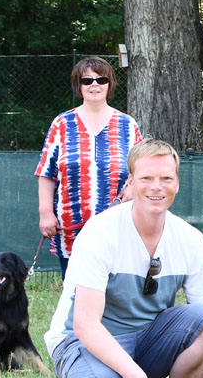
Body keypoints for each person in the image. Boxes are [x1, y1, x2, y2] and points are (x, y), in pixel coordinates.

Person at [44, 139, 203, 378]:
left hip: (146, 339)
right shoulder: (101, 232)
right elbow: (85, 324)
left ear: (177, 184)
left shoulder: (191, 240)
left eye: (166, 179)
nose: (156, 187)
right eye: (146, 178)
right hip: (80, 340)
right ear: (131, 182)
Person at [37, 57, 142, 277]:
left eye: (101, 79)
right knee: (76, 293)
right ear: (79, 86)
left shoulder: (128, 125)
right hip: (72, 226)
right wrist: (46, 213)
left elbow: (142, 168)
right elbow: (47, 172)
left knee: (116, 292)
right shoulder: (62, 124)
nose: (94, 84)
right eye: (87, 80)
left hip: (118, 226)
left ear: (109, 84)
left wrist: (132, 189)